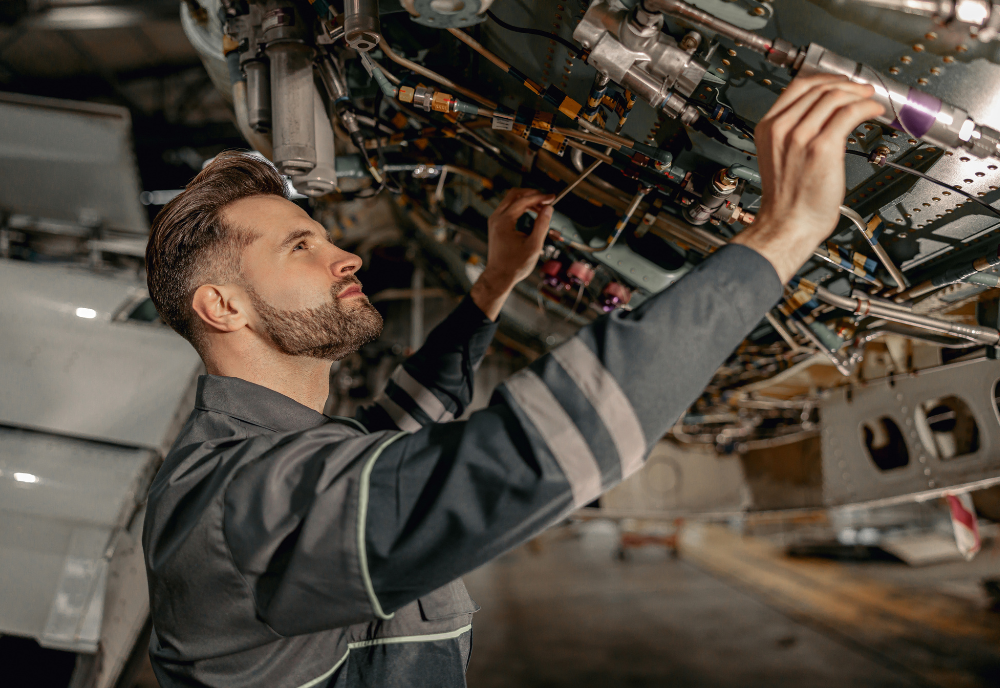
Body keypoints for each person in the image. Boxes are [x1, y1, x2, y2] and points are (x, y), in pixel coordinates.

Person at [142, 75, 884, 688]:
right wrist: (781, 234)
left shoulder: (277, 460)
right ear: (223, 306)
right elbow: (526, 457)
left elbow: (400, 423)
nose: (347, 257)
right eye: (303, 245)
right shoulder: (234, 503)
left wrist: (493, 287)